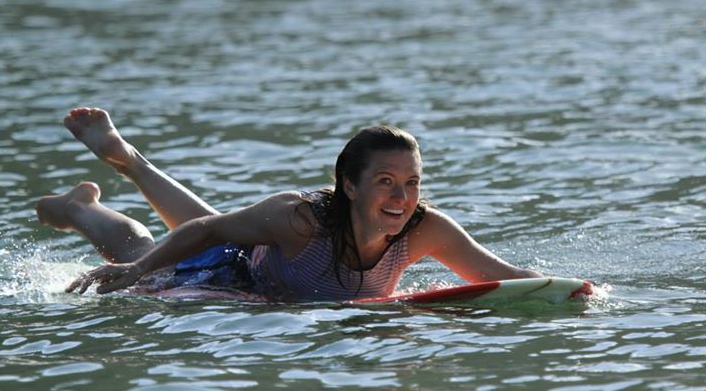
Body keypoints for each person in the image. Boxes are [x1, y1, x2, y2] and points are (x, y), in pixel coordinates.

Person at [36, 107, 541, 302]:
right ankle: (81, 208)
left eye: (411, 183)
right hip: (232, 277)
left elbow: (499, 275)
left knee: (213, 227)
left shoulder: (426, 228)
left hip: (249, 255)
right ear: (349, 185)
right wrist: (137, 270)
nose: (401, 197)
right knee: (142, 250)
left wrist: (567, 291)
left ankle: (129, 161)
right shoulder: (301, 219)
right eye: (385, 181)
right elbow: (208, 231)